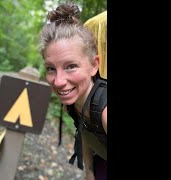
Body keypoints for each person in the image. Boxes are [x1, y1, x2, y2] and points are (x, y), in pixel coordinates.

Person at [39, 2, 107, 180]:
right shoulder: (72, 102)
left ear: (94, 65)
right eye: (51, 68)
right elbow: (84, 131)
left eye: (71, 66)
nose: (59, 82)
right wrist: (89, 172)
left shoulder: (105, 113)